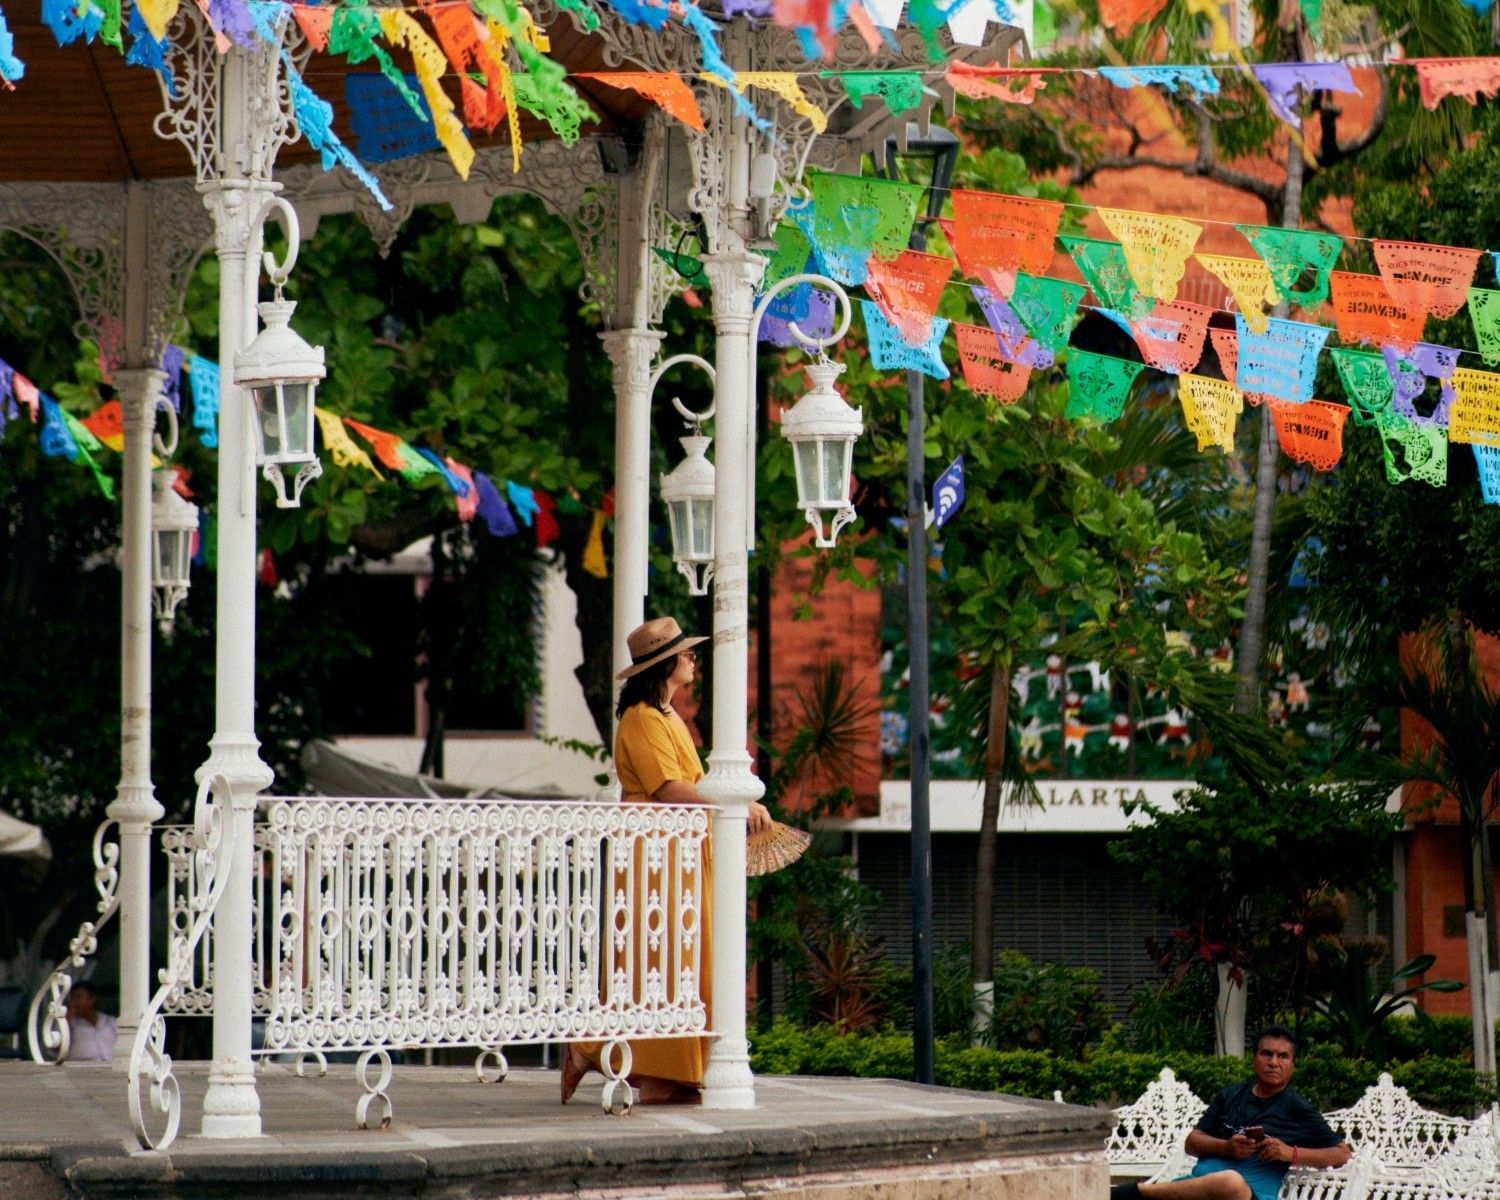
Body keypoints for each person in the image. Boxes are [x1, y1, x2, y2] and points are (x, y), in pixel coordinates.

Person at [561, 616, 772, 1106]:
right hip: (652, 849)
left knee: (689, 959)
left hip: (680, 846)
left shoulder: (668, 714)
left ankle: (672, 1072)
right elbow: (666, 787)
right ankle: (595, 1049)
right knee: (658, 956)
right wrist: (735, 803)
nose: (693, 658)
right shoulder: (640, 717)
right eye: (687, 652)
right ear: (667, 663)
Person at [1110, 1027, 1349, 1200]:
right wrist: (1225, 1147)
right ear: (1254, 1058)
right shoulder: (1230, 1095)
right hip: (1196, 1191)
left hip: (1246, 1194)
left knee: (1230, 1181)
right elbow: (1192, 1143)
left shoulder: (1297, 1108)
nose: (1273, 1062)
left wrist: (1289, 1153)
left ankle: (1136, 1193)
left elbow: (1342, 1153)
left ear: (1292, 1065)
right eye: (1266, 1054)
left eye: (1283, 1056)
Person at [64, 981, 117, 1063]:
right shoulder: (71, 1024)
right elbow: (59, 1049)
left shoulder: (110, 1022)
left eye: (78, 997)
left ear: (92, 999)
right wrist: (67, 1020)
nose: (74, 1002)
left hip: (113, 1068)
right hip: (84, 1072)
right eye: (72, 998)